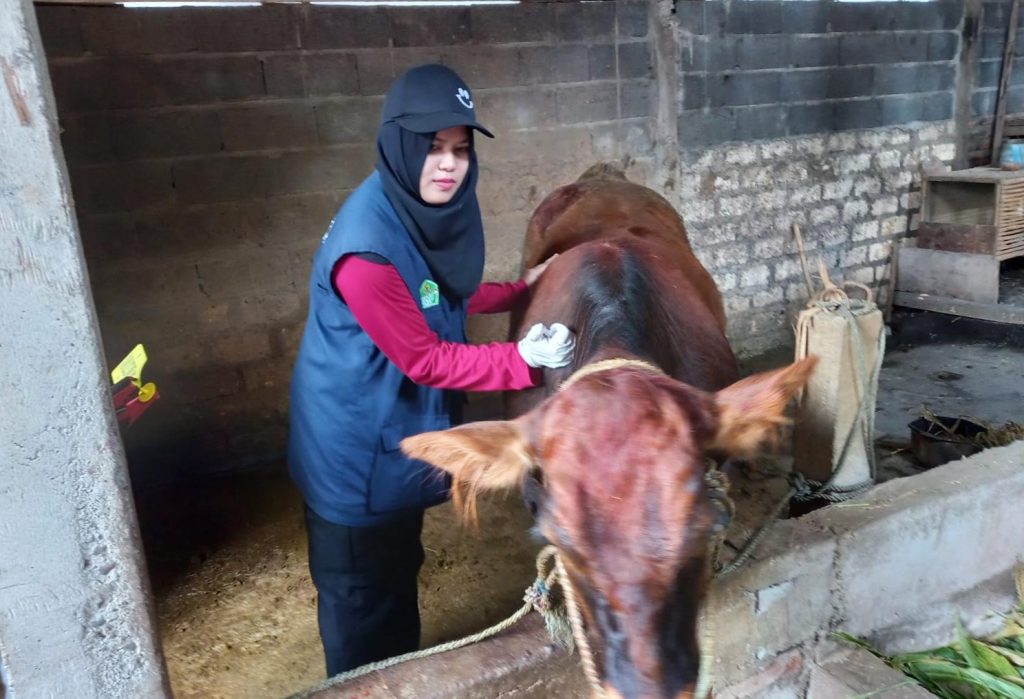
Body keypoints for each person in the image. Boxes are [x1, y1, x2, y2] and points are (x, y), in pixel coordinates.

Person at [287, 64, 576, 678]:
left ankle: (399, 671)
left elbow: (435, 292)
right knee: (361, 599)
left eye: (460, 150)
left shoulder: (409, 210)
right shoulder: (367, 249)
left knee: (395, 574)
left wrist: (518, 290)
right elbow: (423, 356)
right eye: (432, 147)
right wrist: (521, 360)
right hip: (357, 454)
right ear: (400, 144)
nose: (448, 165)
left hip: (392, 437)